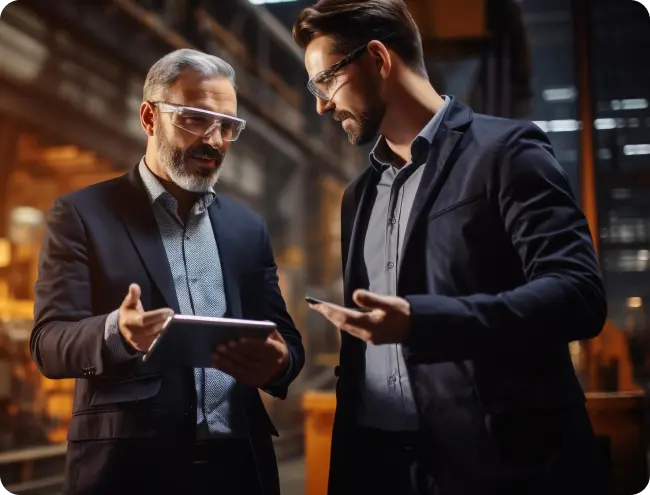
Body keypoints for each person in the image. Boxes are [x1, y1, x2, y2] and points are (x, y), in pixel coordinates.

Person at [293, 1, 610, 494]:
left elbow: (578, 294)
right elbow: (356, 362)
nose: (321, 105)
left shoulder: (506, 152)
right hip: (381, 467)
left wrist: (424, 322)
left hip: (495, 465)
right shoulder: (359, 196)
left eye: (326, 81)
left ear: (378, 59)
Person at [31, 48, 304, 495]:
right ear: (149, 116)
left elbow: (286, 340)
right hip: (130, 471)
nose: (213, 140)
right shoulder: (83, 214)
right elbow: (48, 343)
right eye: (194, 119)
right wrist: (117, 332)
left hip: (238, 469)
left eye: (227, 126)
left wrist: (282, 363)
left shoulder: (245, 229)